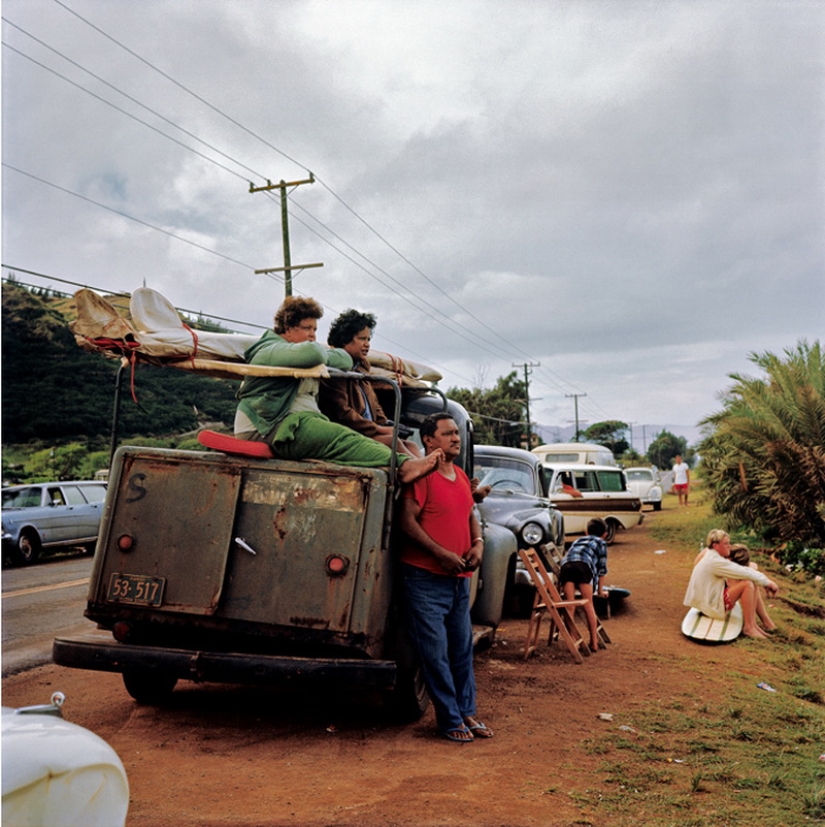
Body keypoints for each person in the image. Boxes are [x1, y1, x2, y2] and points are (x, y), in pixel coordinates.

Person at [234, 296, 440, 484]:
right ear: (287, 328)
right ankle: (403, 466)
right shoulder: (269, 350)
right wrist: (323, 353)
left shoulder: (297, 353)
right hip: (266, 427)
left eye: (315, 329)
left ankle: (407, 468)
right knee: (342, 439)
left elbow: (343, 358)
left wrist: (324, 354)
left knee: (357, 440)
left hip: (297, 422)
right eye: (307, 328)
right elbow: (314, 353)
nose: (313, 336)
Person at [399, 412, 493, 744]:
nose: (456, 438)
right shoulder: (422, 476)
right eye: (448, 433)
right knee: (435, 653)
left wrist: (478, 544)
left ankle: (466, 712)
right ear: (428, 440)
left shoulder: (461, 475)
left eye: (457, 433)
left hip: (458, 579)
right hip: (425, 578)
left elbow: (471, 514)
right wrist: (440, 553)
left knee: (462, 649)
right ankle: (449, 719)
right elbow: (407, 523)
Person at [318, 309, 419, 457]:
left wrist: (385, 424)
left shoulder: (361, 368)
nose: (367, 345)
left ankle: (431, 478)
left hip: (368, 432)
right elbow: (342, 414)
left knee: (411, 445)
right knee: (393, 442)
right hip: (350, 435)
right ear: (345, 339)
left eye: (368, 339)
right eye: (362, 339)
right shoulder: (335, 371)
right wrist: (378, 429)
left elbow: (374, 405)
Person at [684, 529, 778, 639]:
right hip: (710, 607)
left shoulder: (710, 553)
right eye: (726, 544)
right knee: (747, 584)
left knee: (750, 579)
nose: (729, 546)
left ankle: (755, 625)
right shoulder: (715, 561)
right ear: (716, 545)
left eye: (729, 543)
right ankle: (749, 627)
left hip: (706, 601)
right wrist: (768, 582)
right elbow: (742, 571)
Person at [558, 518, 609, 652]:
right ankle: (594, 641)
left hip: (566, 566)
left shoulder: (577, 540)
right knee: (588, 604)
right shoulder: (601, 543)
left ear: (586, 532)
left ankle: (572, 640)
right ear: (605, 534)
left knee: (570, 605)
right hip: (583, 566)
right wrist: (600, 591)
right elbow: (601, 570)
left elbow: (569, 556)